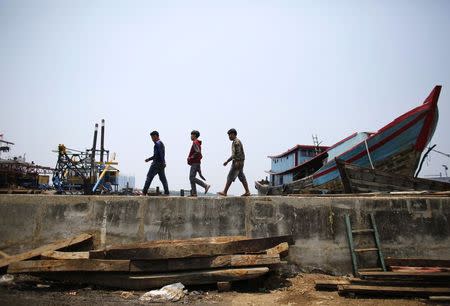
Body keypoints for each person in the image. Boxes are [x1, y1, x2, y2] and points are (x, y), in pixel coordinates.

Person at [218, 128, 251, 196]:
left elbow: (236, 154)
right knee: (241, 176)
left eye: (230, 135)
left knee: (230, 176)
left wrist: (228, 161)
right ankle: (247, 191)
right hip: (239, 162)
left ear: (233, 134)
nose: (229, 136)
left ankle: (225, 192)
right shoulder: (235, 142)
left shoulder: (236, 142)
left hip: (237, 162)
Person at [142, 131, 170, 195]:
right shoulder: (161, 143)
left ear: (156, 136)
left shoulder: (157, 144)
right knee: (163, 179)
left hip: (156, 164)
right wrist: (163, 162)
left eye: (152, 137)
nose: (152, 139)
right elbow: (161, 155)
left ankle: (144, 192)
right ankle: (167, 192)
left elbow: (157, 155)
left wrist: (148, 159)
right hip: (161, 164)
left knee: (149, 177)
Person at [187, 130, 211, 197]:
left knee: (191, 177)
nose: (191, 136)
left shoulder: (195, 142)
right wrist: (200, 172)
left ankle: (205, 185)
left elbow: (197, 152)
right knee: (192, 177)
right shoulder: (197, 143)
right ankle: (194, 193)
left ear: (194, 135)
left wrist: (190, 157)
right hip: (197, 163)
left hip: (195, 163)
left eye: (191, 135)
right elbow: (198, 153)